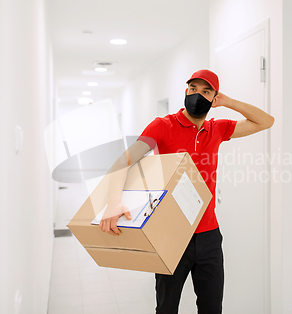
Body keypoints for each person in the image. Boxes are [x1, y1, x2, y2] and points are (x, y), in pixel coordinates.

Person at [99, 69, 274, 314]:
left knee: (212, 308)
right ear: (185, 91)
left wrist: (229, 102)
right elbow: (122, 162)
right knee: (167, 308)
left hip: (209, 235)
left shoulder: (218, 129)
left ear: (214, 98)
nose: (197, 95)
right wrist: (114, 202)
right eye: (193, 89)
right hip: (171, 235)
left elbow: (266, 121)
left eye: (205, 91)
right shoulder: (162, 126)